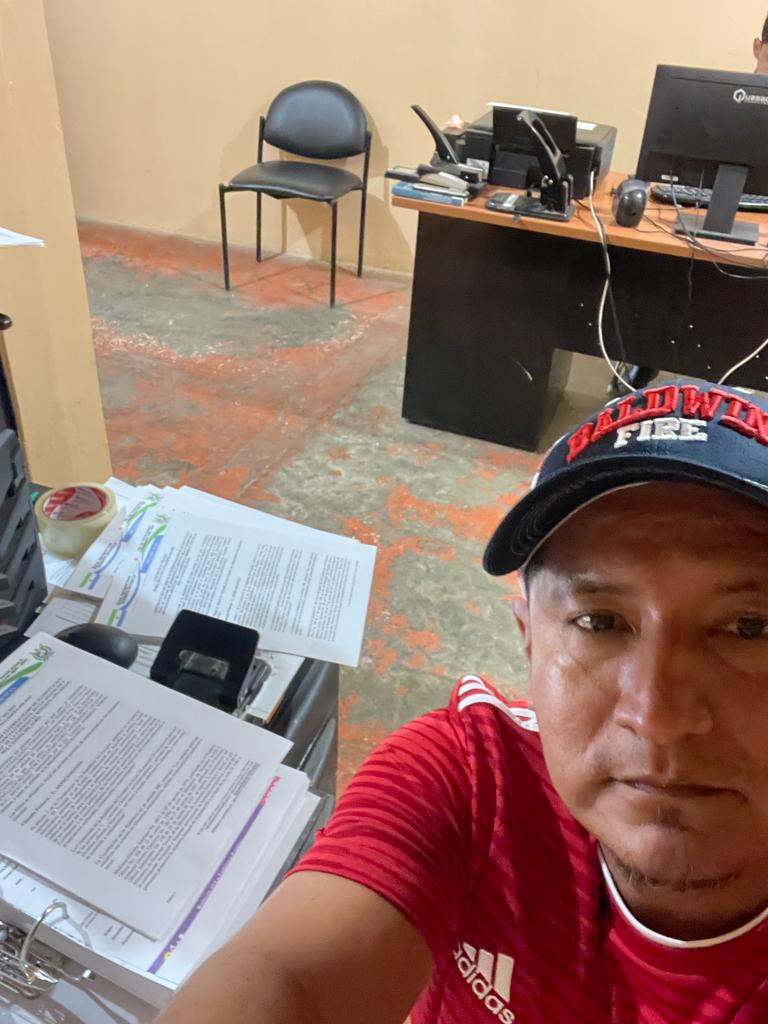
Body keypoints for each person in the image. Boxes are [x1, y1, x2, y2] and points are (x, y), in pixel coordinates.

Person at [158, 379, 768, 1023]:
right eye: (599, 622)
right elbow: (282, 979)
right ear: (529, 641)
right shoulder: (476, 783)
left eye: (750, 627)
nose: (658, 718)